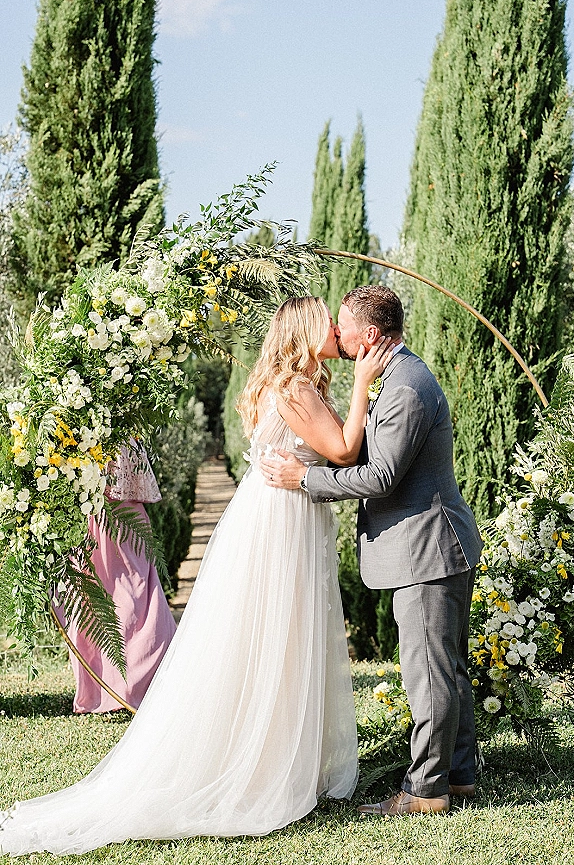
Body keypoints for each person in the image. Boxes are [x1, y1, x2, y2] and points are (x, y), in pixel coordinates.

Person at [0, 296, 393, 855]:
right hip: (283, 522)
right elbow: (346, 451)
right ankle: (268, 764)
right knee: (279, 638)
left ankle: (277, 754)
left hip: (269, 517)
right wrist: (362, 382)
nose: (335, 328)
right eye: (326, 321)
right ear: (304, 331)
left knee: (270, 640)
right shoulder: (297, 387)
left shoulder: (281, 384)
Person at [262, 284, 483, 817]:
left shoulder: (405, 386)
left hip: (426, 546)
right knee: (445, 667)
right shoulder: (399, 377)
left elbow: (380, 476)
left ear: (373, 336)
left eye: (344, 325)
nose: (336, 333)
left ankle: (426, 791)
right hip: (429, 545)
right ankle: (458, 777)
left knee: (428, 672)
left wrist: (305, 479)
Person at [56, 442, 177, 713]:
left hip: (112, 490)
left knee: (132, 589)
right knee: (92, 593)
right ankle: (104, 687)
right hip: (84, 489)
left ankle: (138, 682)